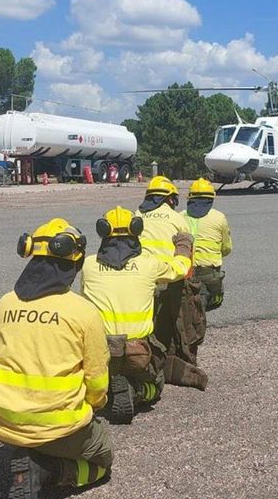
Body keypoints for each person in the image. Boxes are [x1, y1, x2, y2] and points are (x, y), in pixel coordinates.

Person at [0, 218, 111, 499]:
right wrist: (94, 408)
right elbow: (98, 382)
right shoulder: (83, 312)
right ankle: (46, 470)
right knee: (102, 462)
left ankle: (25, 450)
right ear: (73, 264)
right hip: (57, 424)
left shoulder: (5, 303)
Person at [81, 206, 192, 424]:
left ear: (103, 232)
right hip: (138, 351)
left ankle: (109, 390)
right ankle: (139, 390)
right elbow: (181, 268)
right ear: (136, 231)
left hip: (101, 352)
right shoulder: (149, 264)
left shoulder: (89, 266)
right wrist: (183, 244)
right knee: (156, 385)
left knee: (95, 381)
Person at [138, 176, 208, 390]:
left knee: (148, 324)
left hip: (143, 280)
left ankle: (147, 360)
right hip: (172, 278)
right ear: (170, 199)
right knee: (180, 322)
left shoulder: (136, 215)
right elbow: (187, 253)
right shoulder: (177, 219)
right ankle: (180, 360)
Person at [183, 177, 232, 311]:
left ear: (189, 197)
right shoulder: (219, 217)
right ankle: (214, 297)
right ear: (211, 198)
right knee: (216, 300)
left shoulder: (180, 216)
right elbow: (227, 248)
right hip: (209, 273)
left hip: (183, 272)